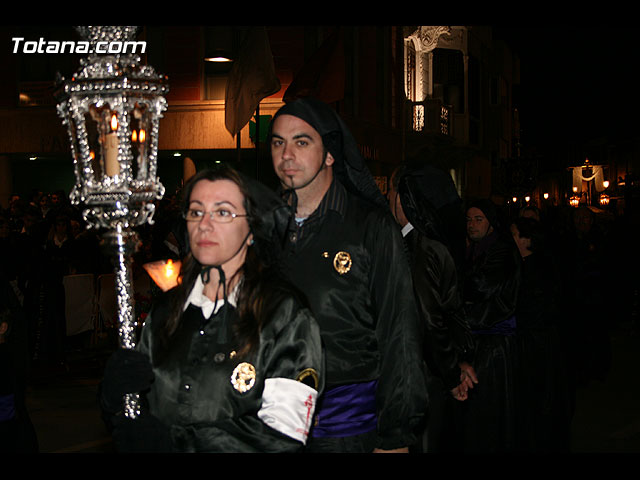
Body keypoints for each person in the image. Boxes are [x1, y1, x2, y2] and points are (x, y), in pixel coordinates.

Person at [100, 167, 324, 453]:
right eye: (196, 212)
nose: (204, 224)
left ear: (252, 230)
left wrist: (179, 443)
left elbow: (283, 437)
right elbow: (139, 420)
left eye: (223, 212)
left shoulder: (285, 316)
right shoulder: (166, 312)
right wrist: (115, 404)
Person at [268, 97, 427, 453]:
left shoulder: (370, 228)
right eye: (278, 142)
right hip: (274, 430)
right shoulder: (264, 230)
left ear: (330, 153)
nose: (286, 154)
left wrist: (395, 435)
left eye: (301, 141)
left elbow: (399, 331)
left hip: (347, 431)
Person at [388, 164, 477, 453]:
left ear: (403, 198)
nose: (387, 197)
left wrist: (452, 375)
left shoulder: (422, 248)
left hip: (425, 376)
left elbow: (431, 320)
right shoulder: (417, 243)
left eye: (390, 190)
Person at [455, 199, 520, 453]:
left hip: (495, 344)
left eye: (478, 219)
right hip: (480, 340)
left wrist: (454, 282)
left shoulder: (501, 250)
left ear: (491, 223)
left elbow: (481, 286)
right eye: (469, 220)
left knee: (491, 414)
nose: (472, 224)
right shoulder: (477, 249)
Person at [510, 217, 571, 452]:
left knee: (540, 401)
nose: (511, 239)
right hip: (532, 341)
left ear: (527, 240)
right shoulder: (523, 266)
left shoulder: (539, 269)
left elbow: (540, 309)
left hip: (538, 345)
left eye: (515, 234)